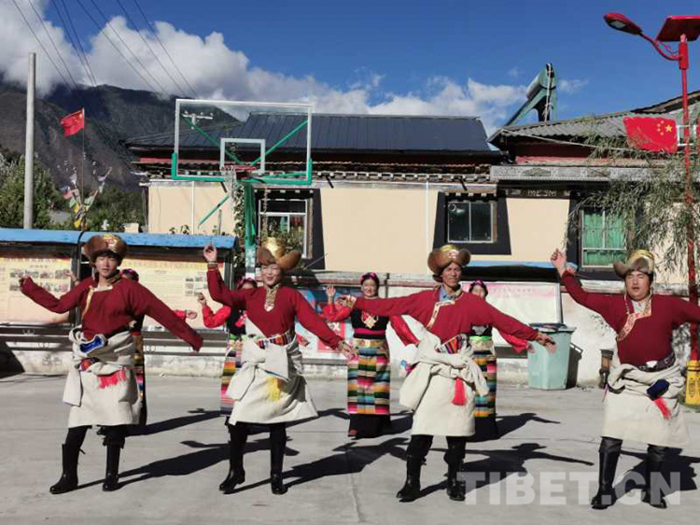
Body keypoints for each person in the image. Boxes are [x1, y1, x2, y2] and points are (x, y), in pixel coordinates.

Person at [338, 244, 555, 502]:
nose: (453, 273)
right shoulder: (424, 300)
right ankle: (412, 482)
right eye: (449, 269)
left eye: (457, 269)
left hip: (459, 375)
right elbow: (391, 305)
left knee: (457, 433)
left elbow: (502, 320)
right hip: (433, 372)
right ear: (440, 274)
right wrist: (358, 302)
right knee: (421, 430)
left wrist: (536, 335)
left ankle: (454, 481)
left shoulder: (473, 304)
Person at [20, 234, 203, 494]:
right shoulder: (86, 287)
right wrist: (30, 288)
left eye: (111, 258)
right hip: (89, 363)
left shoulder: (131, 289)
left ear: (118, 262)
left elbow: (161, 311)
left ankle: (111, 475)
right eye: (102, 258)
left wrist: (192, 338)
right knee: (77, 425)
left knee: (115, 423)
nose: (106, 263)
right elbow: (60, 305)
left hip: (116, 363)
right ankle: (69, 476)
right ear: (94, 262)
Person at [204, 238, 354, 496]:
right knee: (237, 421)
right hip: (257, 364)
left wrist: (337, 342)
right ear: (260, 270)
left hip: (282, 364)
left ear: (282, 271)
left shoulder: (291, 296)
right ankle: (236, 471)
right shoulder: (250, 295)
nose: (269, 272)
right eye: (265, 267)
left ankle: (276, 475)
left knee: (277, 423)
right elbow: (220, 295)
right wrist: (211, 264)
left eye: (274, 268)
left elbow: (313, 322)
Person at [551, 249, 696, 509]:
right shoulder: (614, 305)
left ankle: (653, 491)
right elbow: (581, 296)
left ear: (650, 280)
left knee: (659, 442)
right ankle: (604, 491)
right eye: (630, 276)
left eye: (641, 276)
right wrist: (563, 271)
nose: (635, 281)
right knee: (611, 437)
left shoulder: (669, 305)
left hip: (661, 380)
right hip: (626, 381)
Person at [323, 273, 419, 439]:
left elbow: (400, 325)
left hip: (379, 351)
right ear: (361, 287)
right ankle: (355, 426)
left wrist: (416, 341)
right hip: (357, 351)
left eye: (372, 285)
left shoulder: (385, 305)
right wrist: (330, 298)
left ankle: (377, 426)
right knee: (357, 388)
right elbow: (333, 317)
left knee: (378, 388)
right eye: (366, 285)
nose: (369, 288)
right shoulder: (353, 304)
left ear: (377, 287)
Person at [120, 268, 198, 432]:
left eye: (128, 281)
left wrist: (183, 313)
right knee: (113, 382)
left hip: (134, 342)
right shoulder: (111, 296)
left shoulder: (140, 299)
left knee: (136, 382)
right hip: (113, 344)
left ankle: (136, 423)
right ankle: (110, 423)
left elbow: (160, 311)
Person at [466, 280, 534, 440]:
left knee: (488, 392)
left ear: (485, 294)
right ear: (470, 293)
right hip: (468, 357)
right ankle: (468, 429)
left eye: (481, 291)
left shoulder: (490, 312)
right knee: (470, 392)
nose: (478, 293)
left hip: (487, 357)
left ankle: (486, 431)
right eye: (475, 290)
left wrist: (523, 343)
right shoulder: (464, 311)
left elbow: (506, 329)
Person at [196, 278, 257, 416]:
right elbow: (211, 322)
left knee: (253, 382)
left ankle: (250, 415)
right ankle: (230, 414)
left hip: (255, 350)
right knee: (231, 382)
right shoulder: (229, 308)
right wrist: (204, 305)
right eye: (243, 291)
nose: (246, 294)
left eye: (251, 291)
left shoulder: (261, 309)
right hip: (234, 349)